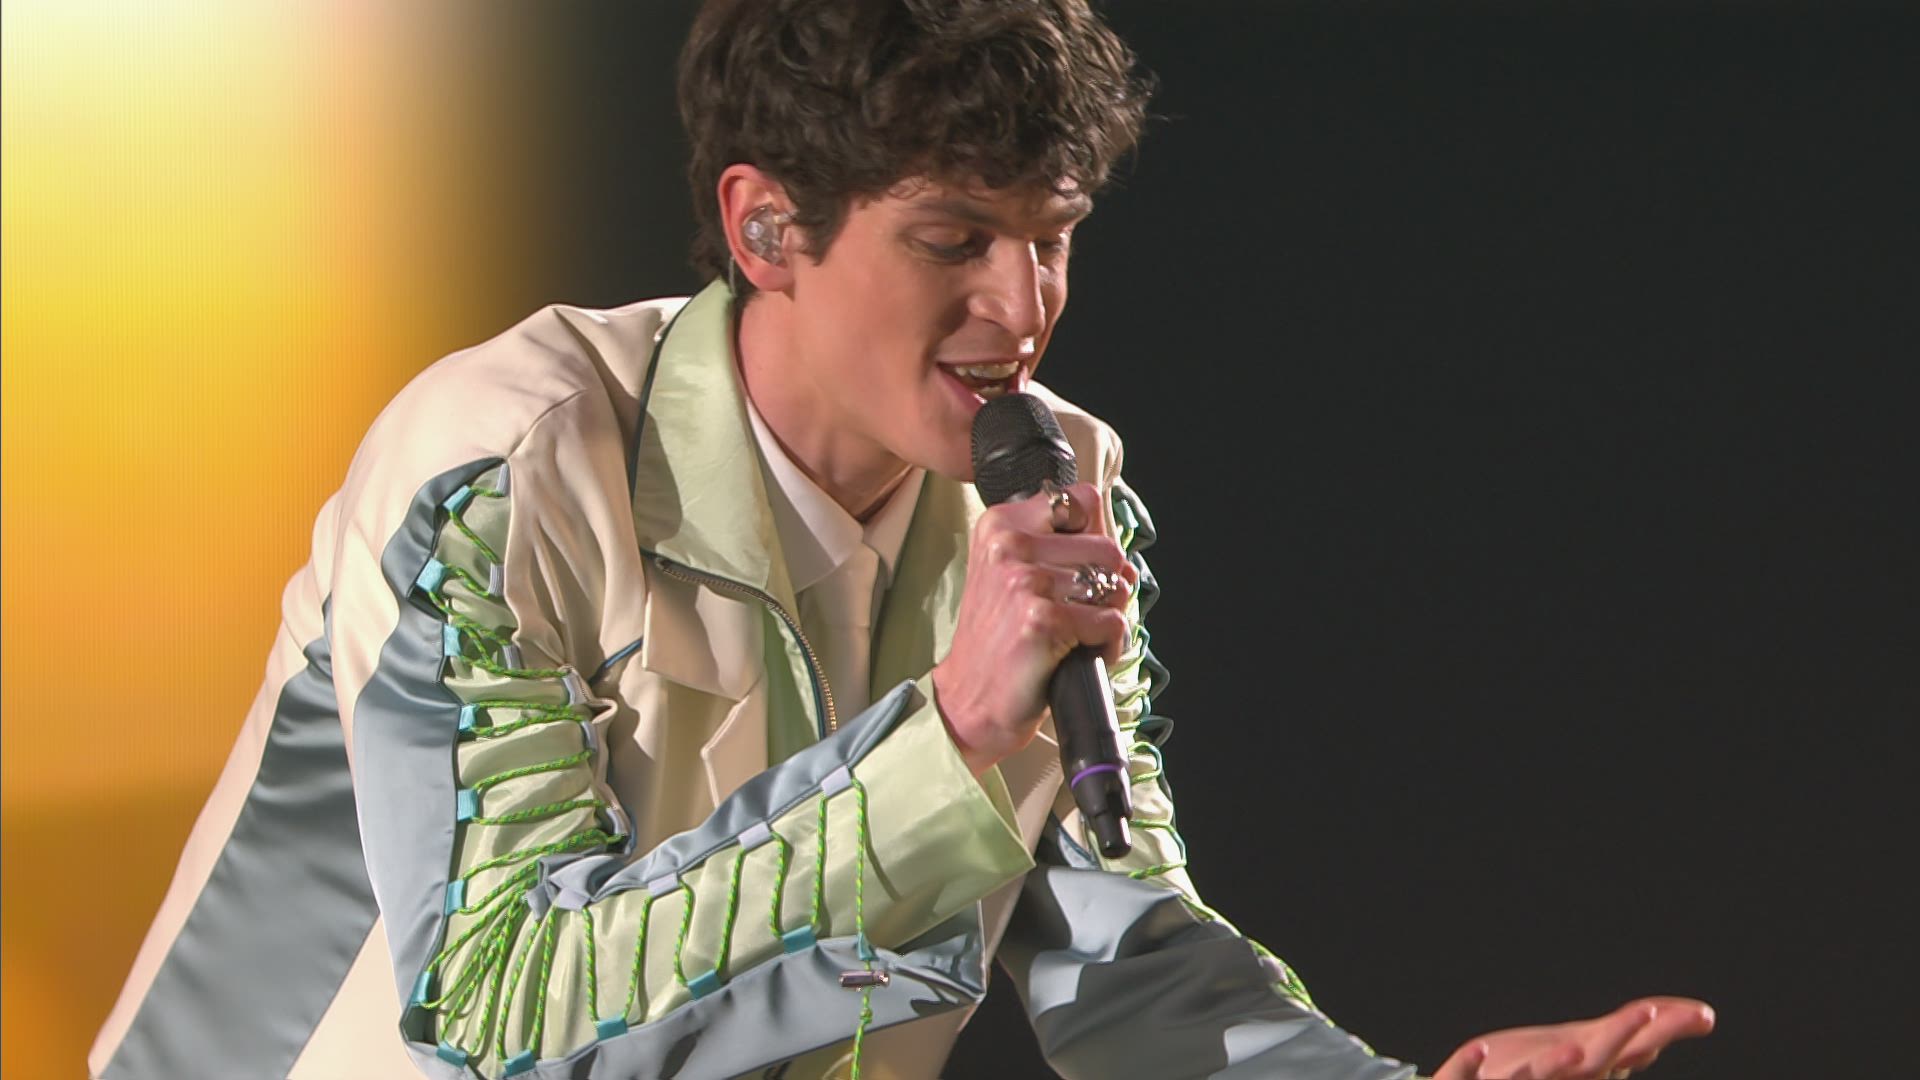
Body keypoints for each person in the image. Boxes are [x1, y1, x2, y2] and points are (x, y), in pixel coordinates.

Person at [91, 1, 1715, 1077]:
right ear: (766, 226)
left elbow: (1118, 956)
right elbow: (502, 1011)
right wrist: (946, 743)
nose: (1024, 306)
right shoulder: (502, 464)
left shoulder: (1060, 481)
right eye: (955, 238)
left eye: (1054, 237)